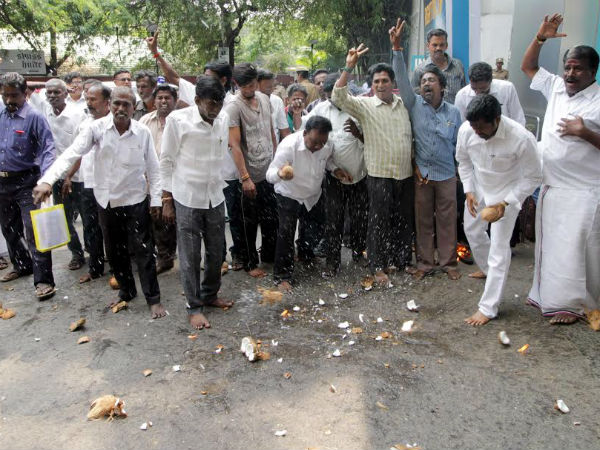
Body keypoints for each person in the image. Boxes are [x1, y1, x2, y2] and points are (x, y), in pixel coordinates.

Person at [33, 86, 166, 319]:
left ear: (133, 107)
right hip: (106, 201)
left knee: (144, 251)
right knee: (114, 252)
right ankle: (126, 291)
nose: (120, 108)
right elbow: (72, 153)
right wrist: (47, 180)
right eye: (116, 103)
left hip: (135, 200)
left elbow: (154, 169)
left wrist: (156, 199)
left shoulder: (142, 132)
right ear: (110, 104)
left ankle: (153, 299)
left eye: (126, 104)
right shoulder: (96, 129)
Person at [521, 13, 600, 324]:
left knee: (578, 250)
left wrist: (585, 133)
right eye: (567, 67)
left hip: (585, 192)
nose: (569, 73)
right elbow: (528, 66)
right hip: (552, 186)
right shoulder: (555, 86)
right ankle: (551, 298)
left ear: (592, 72)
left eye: (577, 68)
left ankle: (577, 305)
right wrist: (540, 37)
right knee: (552, 248)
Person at [456, 95, 541, 326]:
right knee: (472, 231)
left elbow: (534, 176)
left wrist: (506, 203)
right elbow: (463, 161)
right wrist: (469, 190)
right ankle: (486, 268)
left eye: (481, 128)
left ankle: (488, 307)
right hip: (479, 189)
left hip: (506, 194)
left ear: (496, 119)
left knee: (499, 248)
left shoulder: (521, 138)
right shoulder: (467, 130)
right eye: (473, 127)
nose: (477, 132)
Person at [332, 44, 413, 286]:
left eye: (385, 80)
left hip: (405, 173)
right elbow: (338, 97)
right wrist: (348, 67)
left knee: (402, 220)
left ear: (393, 82)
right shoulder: (365, 105)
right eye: (376, 81)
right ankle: (377, 265)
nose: (380, 85)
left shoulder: (404, 105)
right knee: (378, 222)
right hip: (379, 174)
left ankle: (401, 261)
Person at [160, 75, 234, 330]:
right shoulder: (177, 121)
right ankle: (194, 307)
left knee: (217, 251)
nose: (217, 108)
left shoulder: (223, 118)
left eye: (220, 102)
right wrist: (166, 199)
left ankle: (210, 294)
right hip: (187, 197)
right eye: (211, 103)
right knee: (190, 256)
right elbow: (166, 160)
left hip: (215, 195)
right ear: (197, 100)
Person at [391, 19, 462, 281]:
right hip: (422, 175)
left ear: (442, 86)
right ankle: (424, 263)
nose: (426, 84)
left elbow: (460, 145)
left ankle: (449, 262)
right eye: (423, 81)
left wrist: (460, 171)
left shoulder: (454, 112)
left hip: (447, 174)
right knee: (422, 220)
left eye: (432, 80)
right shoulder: (414, 105)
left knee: (447, 219)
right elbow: (401, 78)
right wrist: (397, 48)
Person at [266, 116, 352, 292]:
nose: (318, 146)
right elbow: (270, 174)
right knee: (286, 234)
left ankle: (305, 253)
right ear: (305, 133)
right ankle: (282, 275)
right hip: (289, 194)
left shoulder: (326, 145)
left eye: (322, 142)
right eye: (314, 142)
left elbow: (327, 160)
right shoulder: (289, 146)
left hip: (312, 195)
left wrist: (336, 170)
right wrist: (280, 174)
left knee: (316, 225)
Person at [0, 72, 56, 299]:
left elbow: (48, 149)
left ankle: (43, 280)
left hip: (27, 181)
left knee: (35, 230)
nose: (9, 100)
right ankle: (22, 265)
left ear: (25, 93)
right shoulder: (1, 114)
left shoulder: (35, 117)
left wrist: (46, 180)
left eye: (14, 95)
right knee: (9, 228)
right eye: (5, 95)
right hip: (2, 181)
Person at [306, 73, 368, 277]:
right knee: (333, 220)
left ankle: (359, 253)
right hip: (334, 176)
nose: (333, 100)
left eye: (336, 95)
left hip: (360, 175)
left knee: (360, 217)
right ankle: (332, 262)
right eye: (329, 96)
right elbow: (310, 138)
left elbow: (373, 141)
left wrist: (358, 134)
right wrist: (334, 169)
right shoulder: (321, 111)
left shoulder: (359, 108)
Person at [224, 63, 278, 277]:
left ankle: (269, 255)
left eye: (253, 84)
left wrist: (276, 160)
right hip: (248, 176)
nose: (250, 89)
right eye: (245, 86)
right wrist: (245, 178)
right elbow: (234, 145)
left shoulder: (264, 99)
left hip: (268, 171)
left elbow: (270, 131)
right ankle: (250, 263)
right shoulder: (233, 107)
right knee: (249, 222)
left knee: (271, 218)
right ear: (236, 84)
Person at [42, 79, 88, 271]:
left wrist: (69, 176)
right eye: (49, 93)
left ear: (65, 93)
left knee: (88, 219)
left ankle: (95, 253)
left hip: (80, 176)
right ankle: (76, 253)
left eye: (56, 92)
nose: (52, 96)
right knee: (64, 219)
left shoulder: (77, 115)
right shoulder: (46, 113)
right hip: (58, 176)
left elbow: (81, 149)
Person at [68, 82, 110, 284]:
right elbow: (78, 152)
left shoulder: (115, 123)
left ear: (106, 101)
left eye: (93, 99)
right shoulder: (84, 124)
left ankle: (119, 267)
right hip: (88, 183)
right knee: (91, 226)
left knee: (111, 227)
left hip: (110, 184)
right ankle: (95, 267)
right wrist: (69, 175)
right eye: (87, 99)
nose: (89, 103)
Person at [140, 84, 178, 274]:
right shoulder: (145, 121)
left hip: (175, 179)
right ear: (153, 101)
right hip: (151, 180)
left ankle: (169, 256)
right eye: (160, 98)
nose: (163, 101)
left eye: (167, 98)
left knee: (172, 220)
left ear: (175, 101)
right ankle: (163, 257)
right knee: (156, 221)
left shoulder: (180, 120)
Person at [455, 62, 525, 126]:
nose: (478, 93)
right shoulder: (461, 96)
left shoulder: (507, 89)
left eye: (482, 89)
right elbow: (461, 125)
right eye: (474, 88)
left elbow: (518, 118)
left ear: (491, 80)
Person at [412, 28, 466, 104]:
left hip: (454, 111)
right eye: (435, 45)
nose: (438, 48)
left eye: (441, 45)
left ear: (446, 46)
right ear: (428, 46)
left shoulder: (458, 66)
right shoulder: (420, 70)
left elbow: (464, 94)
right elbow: (414, 98)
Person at [257, 69, 290, 142]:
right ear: (256, 85)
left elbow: (284, 130)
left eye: (272, 86)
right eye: (268, 87)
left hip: (273, 146)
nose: (271, 90)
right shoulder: (245, 102)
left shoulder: (277, 101)